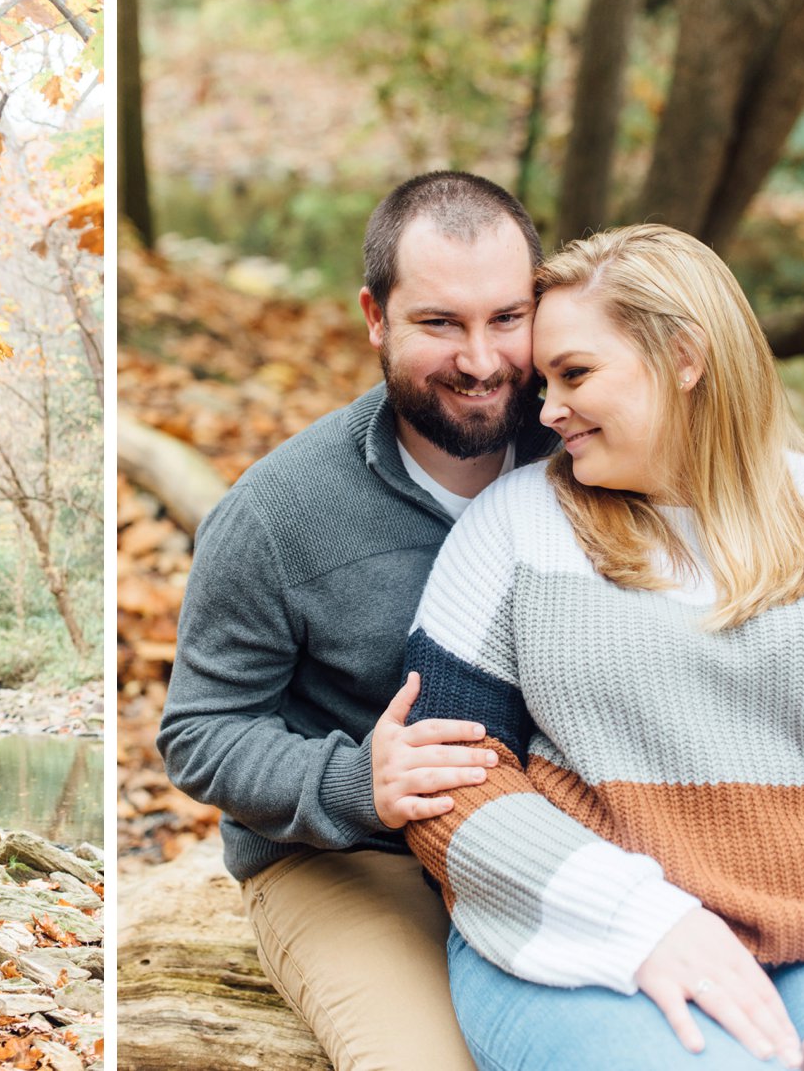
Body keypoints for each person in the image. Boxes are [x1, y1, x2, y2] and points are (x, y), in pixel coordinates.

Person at [402, 224, 804, 1070]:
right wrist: (642, 919)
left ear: (686, 357)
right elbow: (448, 783)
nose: (546, 410)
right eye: (544, 380)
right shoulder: (514, 526)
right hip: (575, 938)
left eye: (576, 374)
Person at [157, 171, 558, 1069]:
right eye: (440, 324)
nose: (484, 360)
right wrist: (355, 783)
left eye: (507, 317)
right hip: (352, 857)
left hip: (564, 829)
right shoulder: (275, 514)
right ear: (375, 317)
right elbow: (200, 735)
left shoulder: (590, 450)